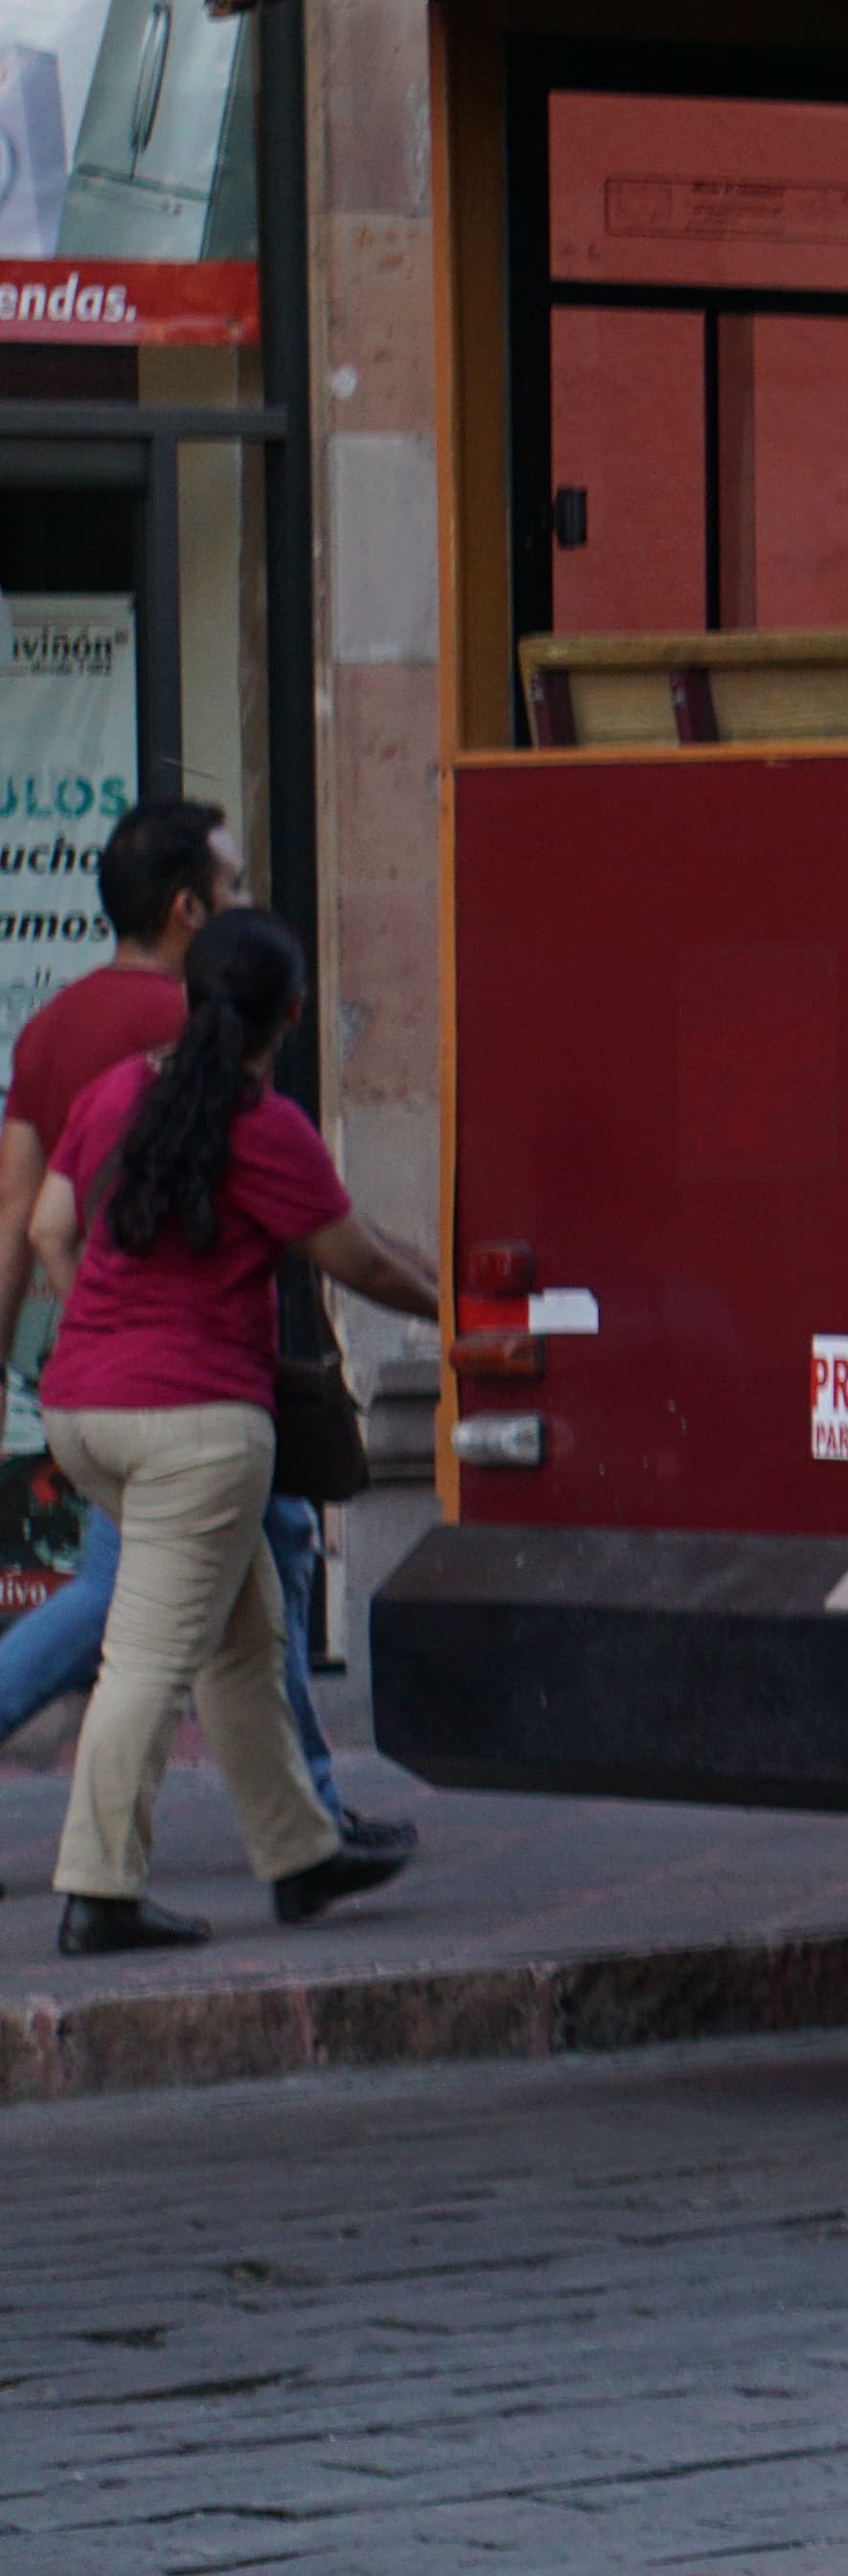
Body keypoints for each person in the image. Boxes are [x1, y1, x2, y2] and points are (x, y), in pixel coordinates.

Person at [41, 909, 435, 1956]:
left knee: (246, 1629)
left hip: (81, 1410)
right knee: (149, 1659)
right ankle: (98, 1890)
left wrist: (109, 1334)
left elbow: (47, 1225)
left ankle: (302, 1855)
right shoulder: (265, 1127)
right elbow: (362, 1263)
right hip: (197, 1428)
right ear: (293, 1014)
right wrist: (466, 1313)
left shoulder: (113, 1094)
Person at [0, 799, 368, 1839]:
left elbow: (22, 1216)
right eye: (237, 886)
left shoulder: (51, 1027)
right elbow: (310, 1218)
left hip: (112, 1384)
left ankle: (311, 1829)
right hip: (189, 1387)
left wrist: (62, 1336)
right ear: (187, 910)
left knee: (253, 1573)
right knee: (143, 1613)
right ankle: (304, 1824)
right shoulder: (198, 1033)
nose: (250, 901)